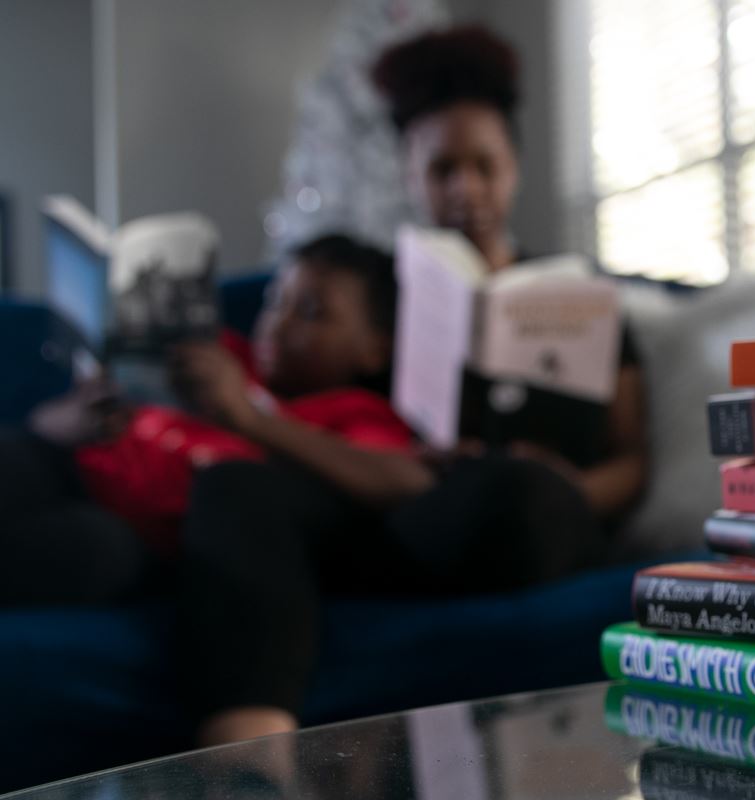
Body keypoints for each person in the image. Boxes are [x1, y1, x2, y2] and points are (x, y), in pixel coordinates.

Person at [0, 235, 435, 746]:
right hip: (67, 465)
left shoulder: (352, 416)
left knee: (90, 550)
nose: (281, 322)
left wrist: (248, 416)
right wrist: (68, 421)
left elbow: (406, 481)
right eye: (277, 299)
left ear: (374, 348)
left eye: (312, 312)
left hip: (142, 539)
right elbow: (42, 424)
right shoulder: (223, 352)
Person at [371, 24, 650, 526]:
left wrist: (567, 493)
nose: (466, 189)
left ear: (514, 168)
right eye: (442, 170)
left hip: (550, 520)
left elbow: (630, 459)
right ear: (410, 177)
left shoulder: (584, 295)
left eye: (485, 166)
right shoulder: (376, 301)